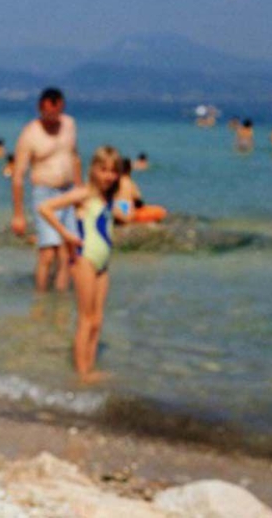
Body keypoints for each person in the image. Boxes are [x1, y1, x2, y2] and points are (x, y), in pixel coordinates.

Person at [38, 146, 122, 382]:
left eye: (113, 171)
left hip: (103, 263)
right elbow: (45, 208)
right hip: (84, 260)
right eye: (104, 170)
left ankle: (90, 367)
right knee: (86, 319)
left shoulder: (108, 197)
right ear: (93, 169)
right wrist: (66, 235)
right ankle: (82, 372)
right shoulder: (83, 194)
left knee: (98, 319)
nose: (109, 175)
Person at [11, 87, 82, 292]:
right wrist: (18, 215)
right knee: (48, 252)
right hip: (45, 194)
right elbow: (18, 177)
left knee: (69, 251)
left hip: (68, 192)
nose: (53, 117)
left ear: (62, 106)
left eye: (57, 111)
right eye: (48, 112)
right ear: (41, 108)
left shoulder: (69, 125)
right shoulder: (31, 133)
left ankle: (60, 302)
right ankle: (40, 299)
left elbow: (74, 157)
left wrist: (80, 190)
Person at [115, 158, 167, 224]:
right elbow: (139, 201)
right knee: (162, 211)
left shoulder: (114, 182)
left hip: (116, 212)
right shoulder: (129, 182)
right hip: (128, 216)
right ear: (129, 170)